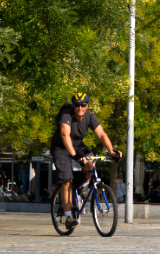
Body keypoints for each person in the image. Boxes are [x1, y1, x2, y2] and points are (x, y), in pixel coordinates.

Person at [51, 92, 120, 230]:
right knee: (67, 180)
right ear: (74, 105)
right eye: (77, 105)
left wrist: (112, 151)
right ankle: (69, 216)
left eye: (83, 105)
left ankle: (85, 184)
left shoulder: (90, 116)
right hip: (61, 147)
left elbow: (101, 134)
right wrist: (75, 155)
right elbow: (65, 135)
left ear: (87, 106)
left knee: (91, 159)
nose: (80, 108)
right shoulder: (66, 115)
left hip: (77, 145)